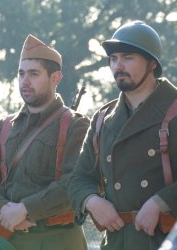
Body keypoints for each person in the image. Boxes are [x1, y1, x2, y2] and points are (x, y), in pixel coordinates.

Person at [0, 34, 89, 250]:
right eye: (21, 74)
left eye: (34, 74)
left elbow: (74, 183)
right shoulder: (4, 126)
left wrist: (25, 208)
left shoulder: (75, 125)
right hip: (5, 238)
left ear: (55, 78)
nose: (25, 81)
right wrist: (4, 209)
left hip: (57, 240)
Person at [68, 20, 177, 250]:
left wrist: (161, 202)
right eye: (113, 59)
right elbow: (78, 178)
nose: (118, 65)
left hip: (165, 241)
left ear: (151, 64)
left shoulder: (174, 110)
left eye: (128, 57)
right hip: (117, 242)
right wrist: (92, 200)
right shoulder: (103, 119)